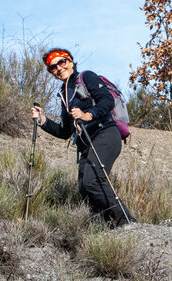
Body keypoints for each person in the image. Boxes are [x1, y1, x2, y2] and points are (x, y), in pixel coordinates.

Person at [31, 48, 135, 227]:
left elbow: (106, 101)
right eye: (52, 67)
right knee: (85, 188)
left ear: (70, 61)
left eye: (61, 62)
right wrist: (43, 121)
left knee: (92, 180)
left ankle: (127, 223)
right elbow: (64, 132)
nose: (58, 68)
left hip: (105, 133)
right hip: (86, 143)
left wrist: (89, 115)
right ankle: (103, 228)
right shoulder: (64, 95)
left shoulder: (86, 77)